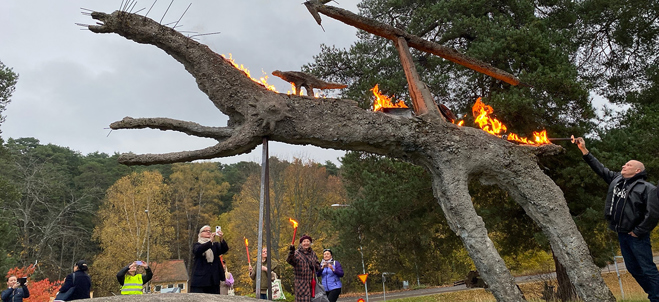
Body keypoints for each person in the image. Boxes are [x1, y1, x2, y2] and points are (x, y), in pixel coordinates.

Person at [576, 137, 659, 302]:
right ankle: (655, 294)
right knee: (633, 268)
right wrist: (584, 151)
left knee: (647, 269)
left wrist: (638, 231)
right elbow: (600, 169)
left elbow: (654, 214)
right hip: (622, 233)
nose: (623, 166)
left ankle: (656, 297)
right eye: (624, 164)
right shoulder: (616, 180)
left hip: (637, 235)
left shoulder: (648, 189)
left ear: (637, 171)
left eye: (628, 165)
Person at [190, 225, 229, 294]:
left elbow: (224, 249)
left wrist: (221, 239)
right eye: (205, 231)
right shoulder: (197, 245)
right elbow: (199, 250)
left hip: (213, 279)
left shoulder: (215, 245)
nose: (208, 232)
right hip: (200, 280)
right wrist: (210, 242)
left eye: (210, 231)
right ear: (200, 233)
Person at [287, 234, 320, 302]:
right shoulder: (296, 253)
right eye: (304, 241)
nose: (306, 243)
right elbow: (290, 261)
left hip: (312, 283)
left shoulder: (313, 253)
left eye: (308, 241)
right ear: (301, 243)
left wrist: (316, 266)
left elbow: (317, 264)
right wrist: (291, 252)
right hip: (301, 284)